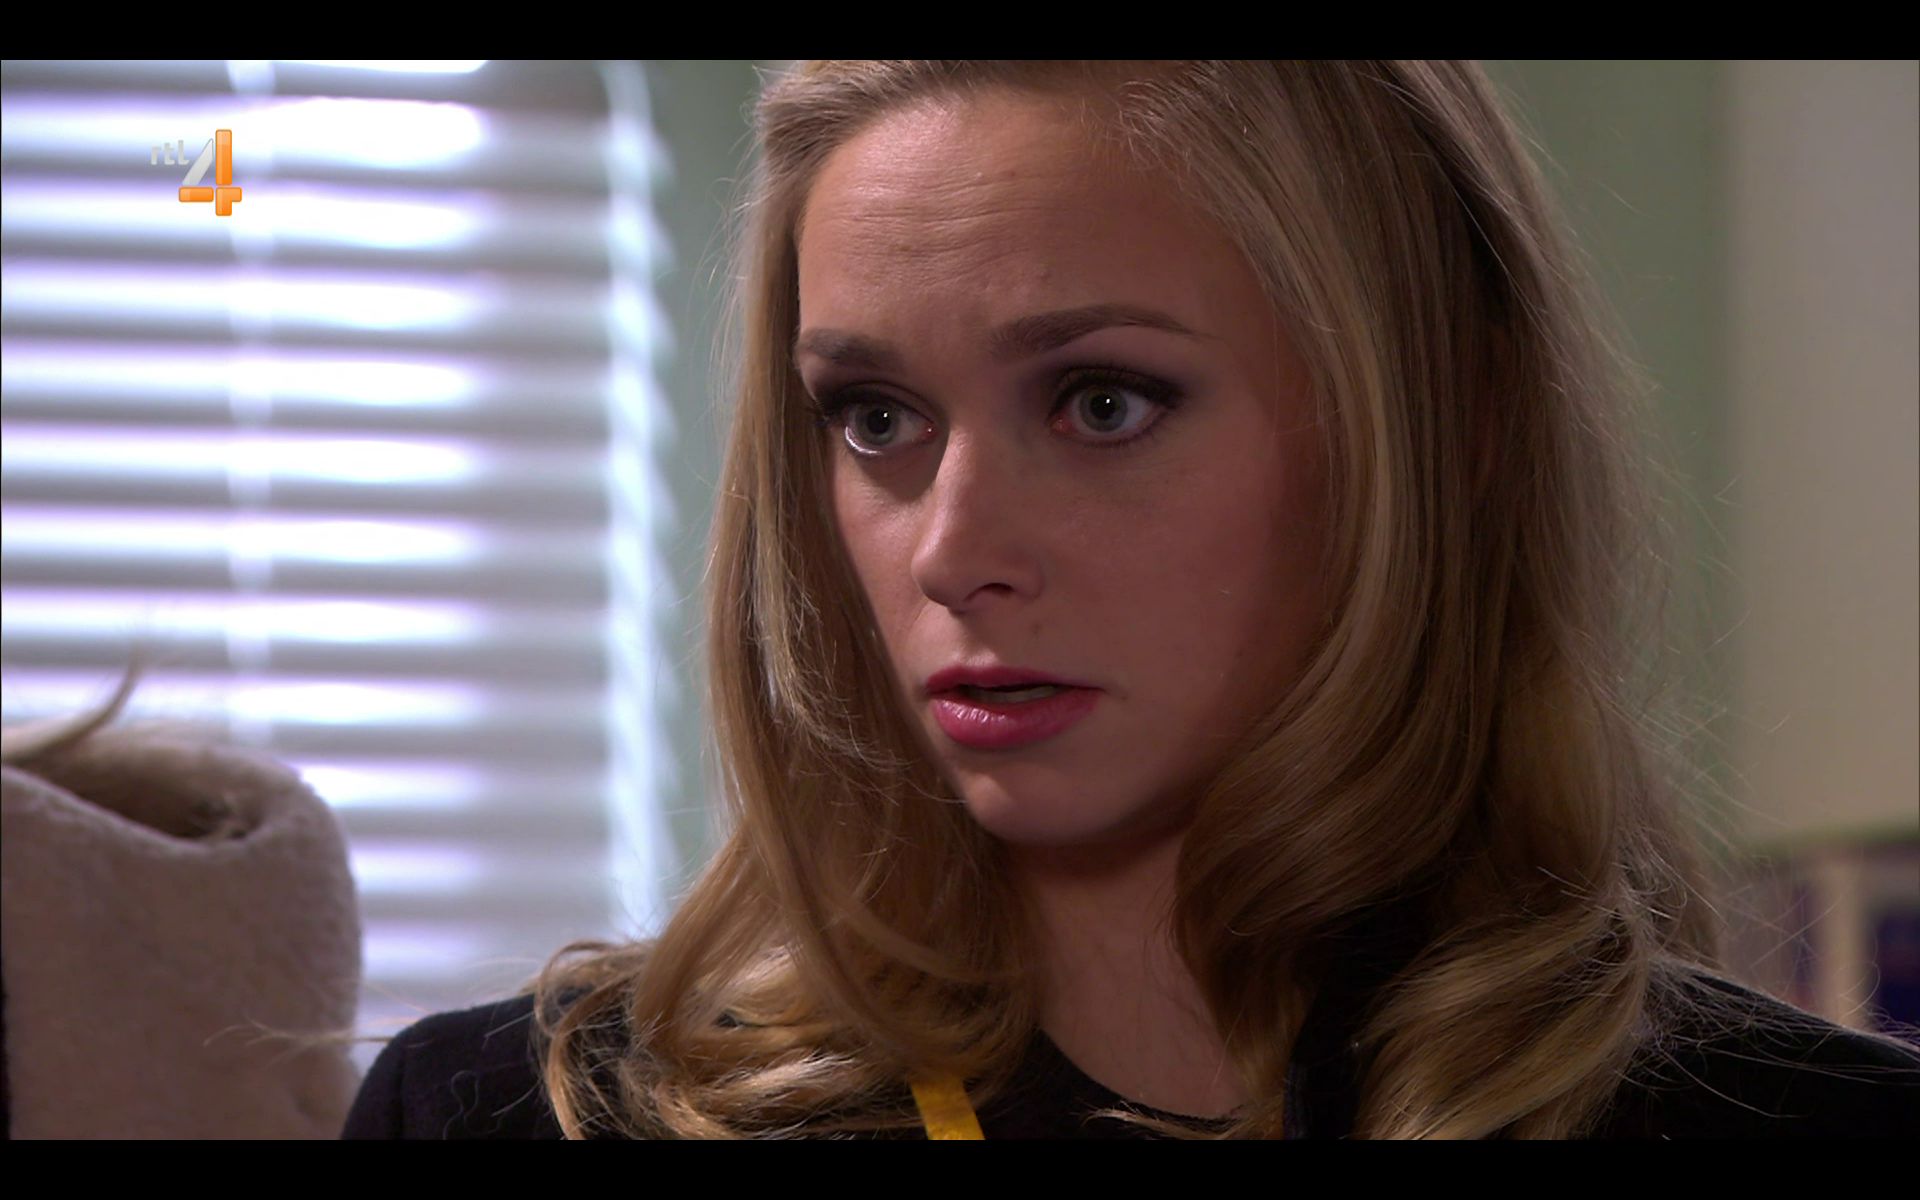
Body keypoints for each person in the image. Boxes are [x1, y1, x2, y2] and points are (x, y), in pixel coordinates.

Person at [342, 60, 1920, 1140]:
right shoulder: (516, 1116)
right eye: (876, 418)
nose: (952, 547)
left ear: (1448, 422)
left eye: (1104, 403)